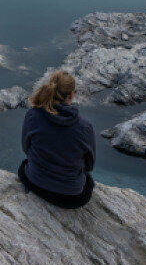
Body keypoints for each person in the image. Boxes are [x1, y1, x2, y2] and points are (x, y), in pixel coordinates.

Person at [17, 71, 96, 209]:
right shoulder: (84, 126)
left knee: (24, 165)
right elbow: (89, 165)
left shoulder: (32, 115)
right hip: (72, 198)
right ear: (71, 94)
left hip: (35, 183)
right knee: (88, 181)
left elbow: (26, 148)